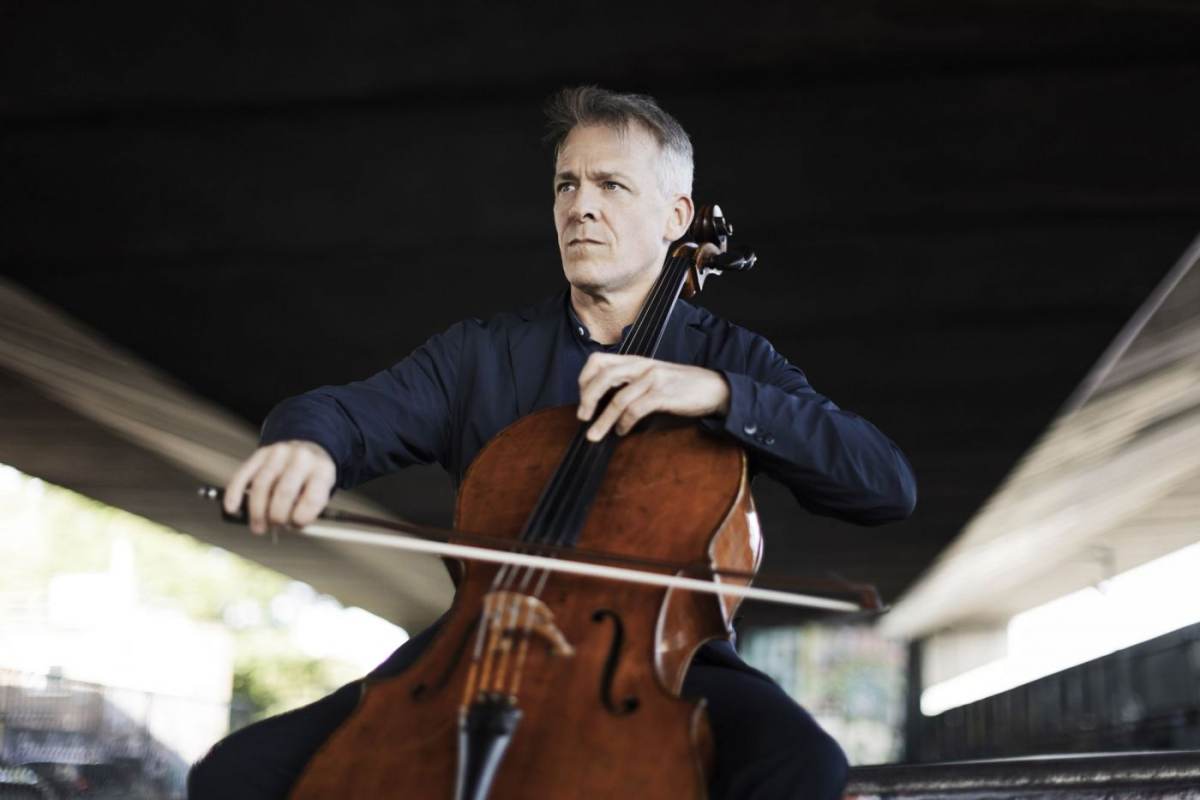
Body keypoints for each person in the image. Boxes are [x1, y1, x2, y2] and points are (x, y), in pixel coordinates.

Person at [188, 86, 917, 800]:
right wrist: (306, 447)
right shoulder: (482, 354)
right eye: (567, 184)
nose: (580, 206)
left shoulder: (732, 359)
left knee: (802, 764)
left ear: (676, 216)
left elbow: (885, 483)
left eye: (611, 185)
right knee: (236, 776)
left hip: (665, 658)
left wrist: (723, 396)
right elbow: (345, 414)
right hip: (478, 645)